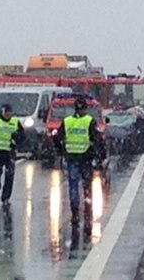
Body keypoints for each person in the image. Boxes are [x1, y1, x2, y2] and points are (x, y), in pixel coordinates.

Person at [54, 95, 103, 251]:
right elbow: (97, 139)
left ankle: (75, 212)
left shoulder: (67, 121)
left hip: (71, 157)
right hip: (85, 157)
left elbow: (56, 137)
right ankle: (87, 210)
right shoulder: (89, 121)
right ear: (85, 108)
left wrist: (61, 150)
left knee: (73, 185)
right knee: (86, 185)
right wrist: (98, 154)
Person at [0, 104, 24, 206]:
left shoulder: (15, 122)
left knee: (9, 175)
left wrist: (16, 139)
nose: (8, 114)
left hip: (10, 153)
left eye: (9, 112)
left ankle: (6, 198)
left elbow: (22, 136)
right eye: (6, 112)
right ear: (2, 112)